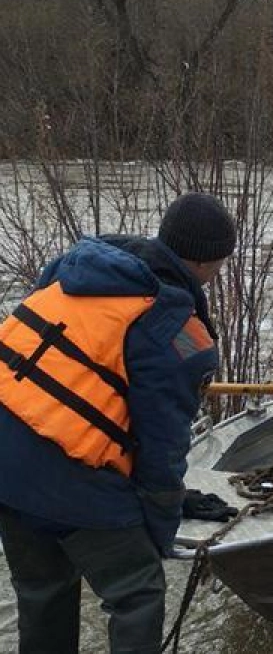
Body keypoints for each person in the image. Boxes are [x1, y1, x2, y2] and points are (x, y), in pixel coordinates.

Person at [0, 193, 235, 653]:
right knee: (138, 594)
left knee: (43, 595)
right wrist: (160, 528)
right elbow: (163, 449)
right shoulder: (173, 328)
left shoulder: (72, 272)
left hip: (6, 467)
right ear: (211, 263)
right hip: (72, 479)